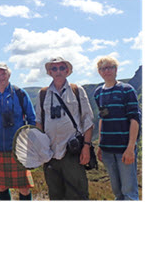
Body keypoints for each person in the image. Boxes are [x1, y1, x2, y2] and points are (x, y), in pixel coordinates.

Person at [35, 57, 94, 200]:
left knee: (77, 194)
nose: (58, 71)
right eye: (54, 69)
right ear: (49, 72)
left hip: (72, 152)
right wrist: (41, 149)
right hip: (51, 153)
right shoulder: (43, 94)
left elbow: (88, 120)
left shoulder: (77, 90)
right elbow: (39, 122)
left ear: (67, 71)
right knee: (56, 194)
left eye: (62, 68)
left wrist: (86, 147)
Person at [0, 63, 36, 200]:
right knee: (1, 186)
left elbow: (32, 118)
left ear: (9, 75)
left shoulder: (20, 94)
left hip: (18, 148)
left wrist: (30, 139)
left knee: (24, 187)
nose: (0, 77)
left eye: (3, 73)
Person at [94, 56, 141, 200]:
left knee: (129, 193)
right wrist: (100, 145)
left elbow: (135, 119)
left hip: (124, 149)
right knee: (117, 193)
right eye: (103, 68)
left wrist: (130, 148)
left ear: (116, 70)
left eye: (110, 67)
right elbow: (103, 119)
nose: (106, 71)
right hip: (107, 150)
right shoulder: (98, 93)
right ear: (99, 72)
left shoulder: (127, 90)